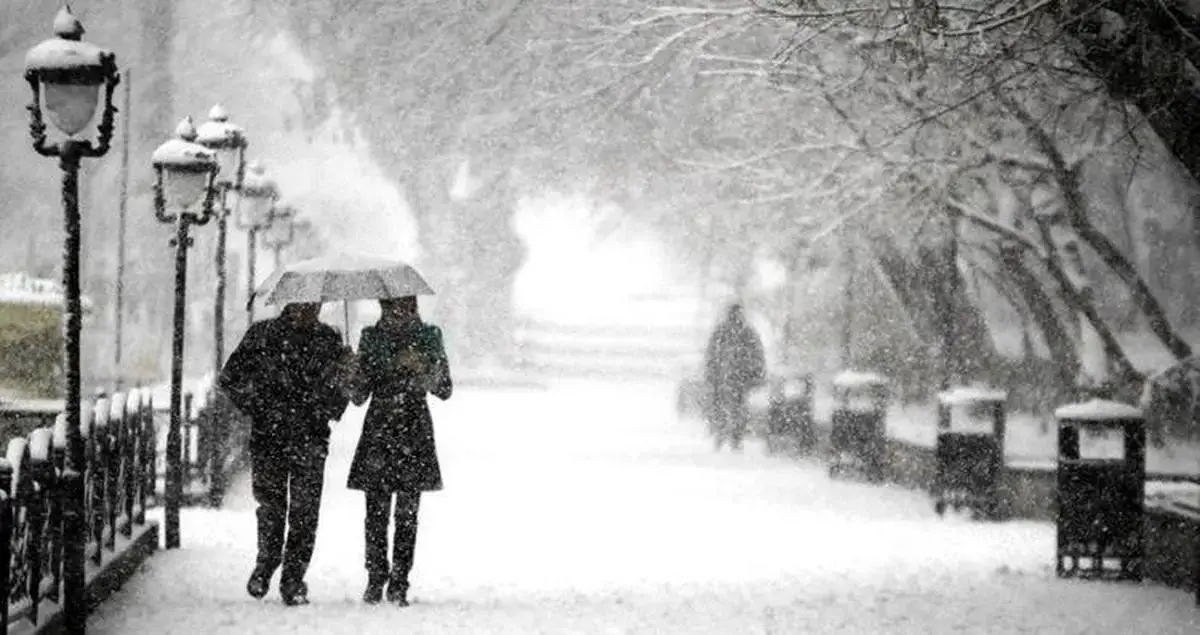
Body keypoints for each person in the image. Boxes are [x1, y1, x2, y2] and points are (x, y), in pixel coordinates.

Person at [218, 302, 352, 606]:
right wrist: (257, 406)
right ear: (290, 302)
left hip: (311, 437)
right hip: (270, 437)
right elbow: (230, 378)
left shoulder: (329, 340)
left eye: (316, 305)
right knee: (271, 507)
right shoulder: (263, 335)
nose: (311, 309)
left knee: (305, 512)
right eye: (305, 304)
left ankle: (293, 578)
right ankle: (266, 565)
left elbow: (342, 394)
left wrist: (344, 376)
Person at [346, 296, 453, 606]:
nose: (399, 314)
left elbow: (445, 388)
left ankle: (400, 580)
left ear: (413, 307)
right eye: (392, 308)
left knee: (407, 514)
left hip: (414, 427)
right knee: (375, 513)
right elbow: (358, 396)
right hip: (380, 428)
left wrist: (425, 372)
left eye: (405, 307)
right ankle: (376, 575)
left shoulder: (428, 337)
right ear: (383, 308)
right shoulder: (371, 338)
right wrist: (354, 371)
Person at [703, 303, 766, 451]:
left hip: (732, 378)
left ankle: (729, 435)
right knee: (732, 407)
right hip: (733, 377)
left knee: (730, 407)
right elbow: (757, 355)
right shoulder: (742, 332)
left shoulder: (727, 332)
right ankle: (728, 435)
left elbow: (712, 354)